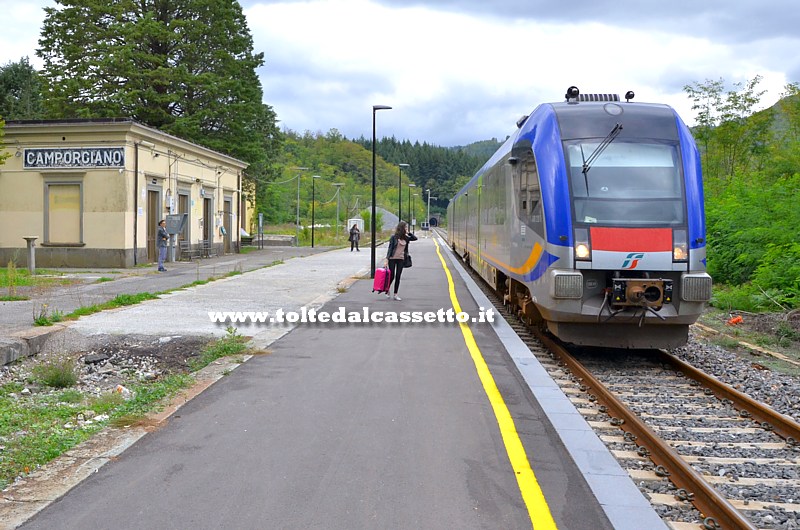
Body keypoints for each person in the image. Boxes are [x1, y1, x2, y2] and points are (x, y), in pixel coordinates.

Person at [384, 221, 417, 301]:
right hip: (392, 258)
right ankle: (387, 289)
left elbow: (415, 238)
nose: (406, 229)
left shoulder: (406, 238)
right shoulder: (394, 237)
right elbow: (390, 249)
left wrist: (409, 233)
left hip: (401, 259)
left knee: (398, 276)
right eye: (405, 227)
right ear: (402, 228)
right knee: (392, 276)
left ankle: (395, 294)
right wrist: (386, 259)